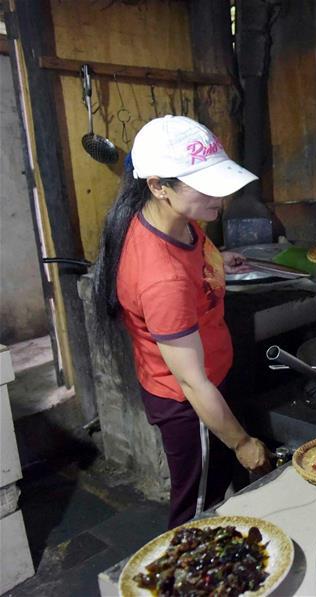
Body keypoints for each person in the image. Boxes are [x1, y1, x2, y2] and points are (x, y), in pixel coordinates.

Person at [93, 115, 271, 529]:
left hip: (209, 383)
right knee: (196, 512)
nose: (220, 198)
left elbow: (190, 257)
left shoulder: (175, 219)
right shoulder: (162, 278)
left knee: (217, 493)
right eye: (205, 186)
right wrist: (243, 443)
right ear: (159, 186)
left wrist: (217, 261)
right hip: (189, 404)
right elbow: (192, 382)